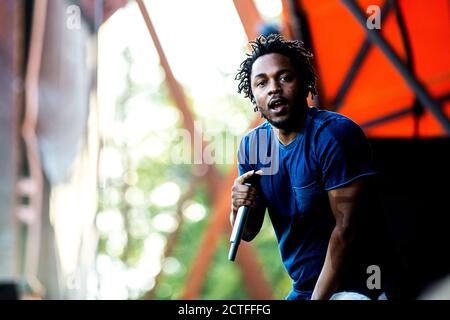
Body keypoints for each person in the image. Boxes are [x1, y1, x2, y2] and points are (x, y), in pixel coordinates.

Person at [231, 34, 391, 300]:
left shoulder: (335, 135)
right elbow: (247, 232)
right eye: (262, 83)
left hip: (361, 286)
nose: (273, 89)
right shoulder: (253, 147)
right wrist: (237, 205)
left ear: (305, 83)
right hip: (305, 290)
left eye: (284, 77)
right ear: (254, 96)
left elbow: (347, 231)